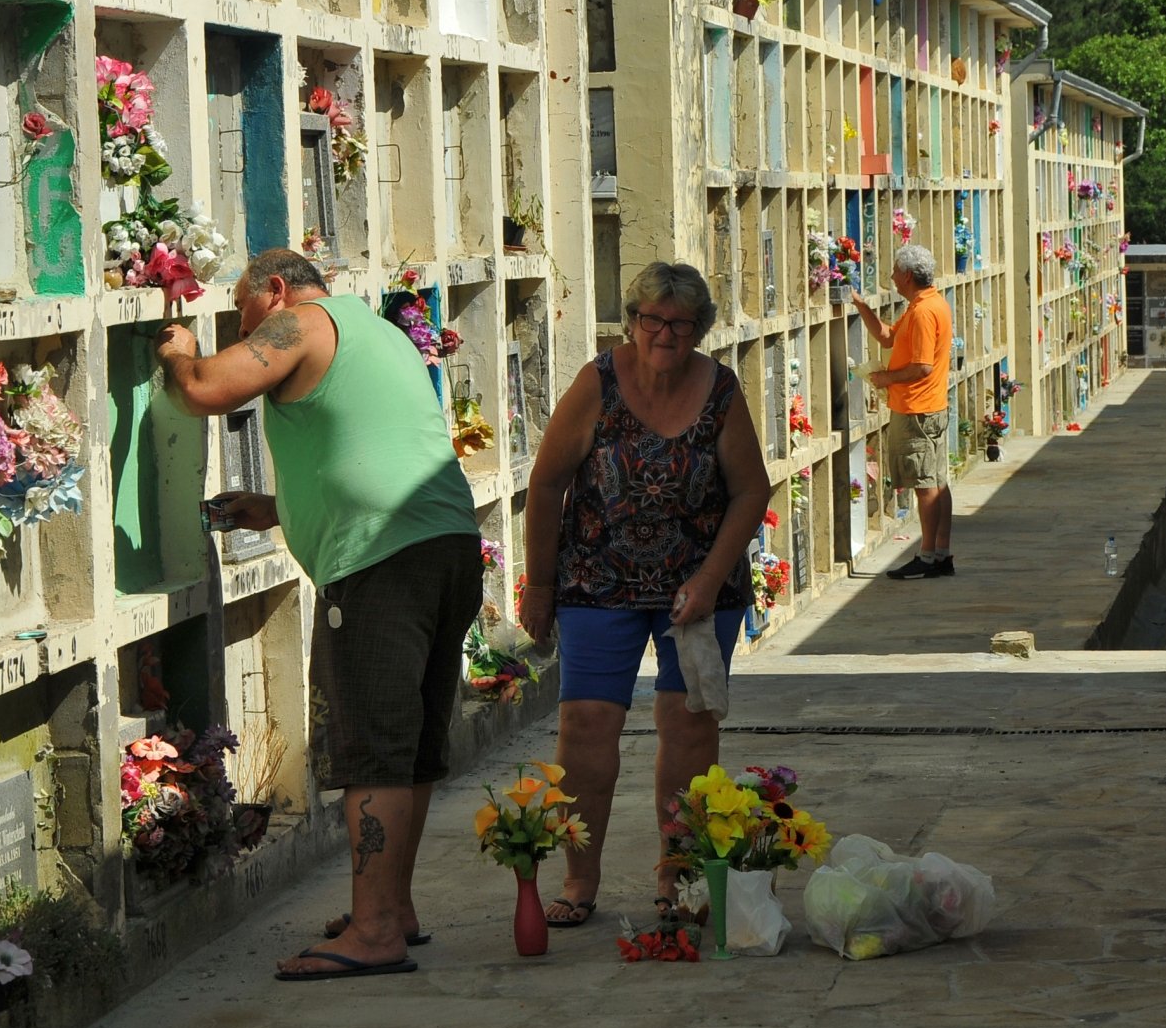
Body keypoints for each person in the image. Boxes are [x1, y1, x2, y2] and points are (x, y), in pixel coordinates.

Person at [153, 248, 480, 977]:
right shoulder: (377, 331)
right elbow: (364, 447)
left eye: (240, 309)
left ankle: (372, 934)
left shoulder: (299, 323)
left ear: (274, 290)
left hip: (381, 565)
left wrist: (179, 354)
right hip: (445, 547)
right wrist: (276, 510)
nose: (241, 326)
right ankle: (391, 910)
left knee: (371, 745)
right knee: (414, 746)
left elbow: (206, 389)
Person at [520, 262, 766, 927]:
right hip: (598, 582)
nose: (664, 333)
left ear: (698, 330)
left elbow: (751, 490)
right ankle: (580, 878)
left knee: (688, 727)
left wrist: (710, 579)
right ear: (631, 320)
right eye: (651, 319)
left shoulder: (719, 390)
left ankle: (677, 876)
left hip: (697, 588)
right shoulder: (597, 384)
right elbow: (546, 485)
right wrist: (538, 584)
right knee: (586, 726)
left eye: (680, 323)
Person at [855, 244, 955, 579]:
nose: (892, 278)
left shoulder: (925, 312)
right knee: (937, 481)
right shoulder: (924, 304)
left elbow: (922, 367)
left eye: (895, 271)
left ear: (908, 275)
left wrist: (885, 378)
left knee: (926, 484)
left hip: (918, 409)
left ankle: (928, 558)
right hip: (928, 406)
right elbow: (887, 339)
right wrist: (861, 305)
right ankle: (941, 552)